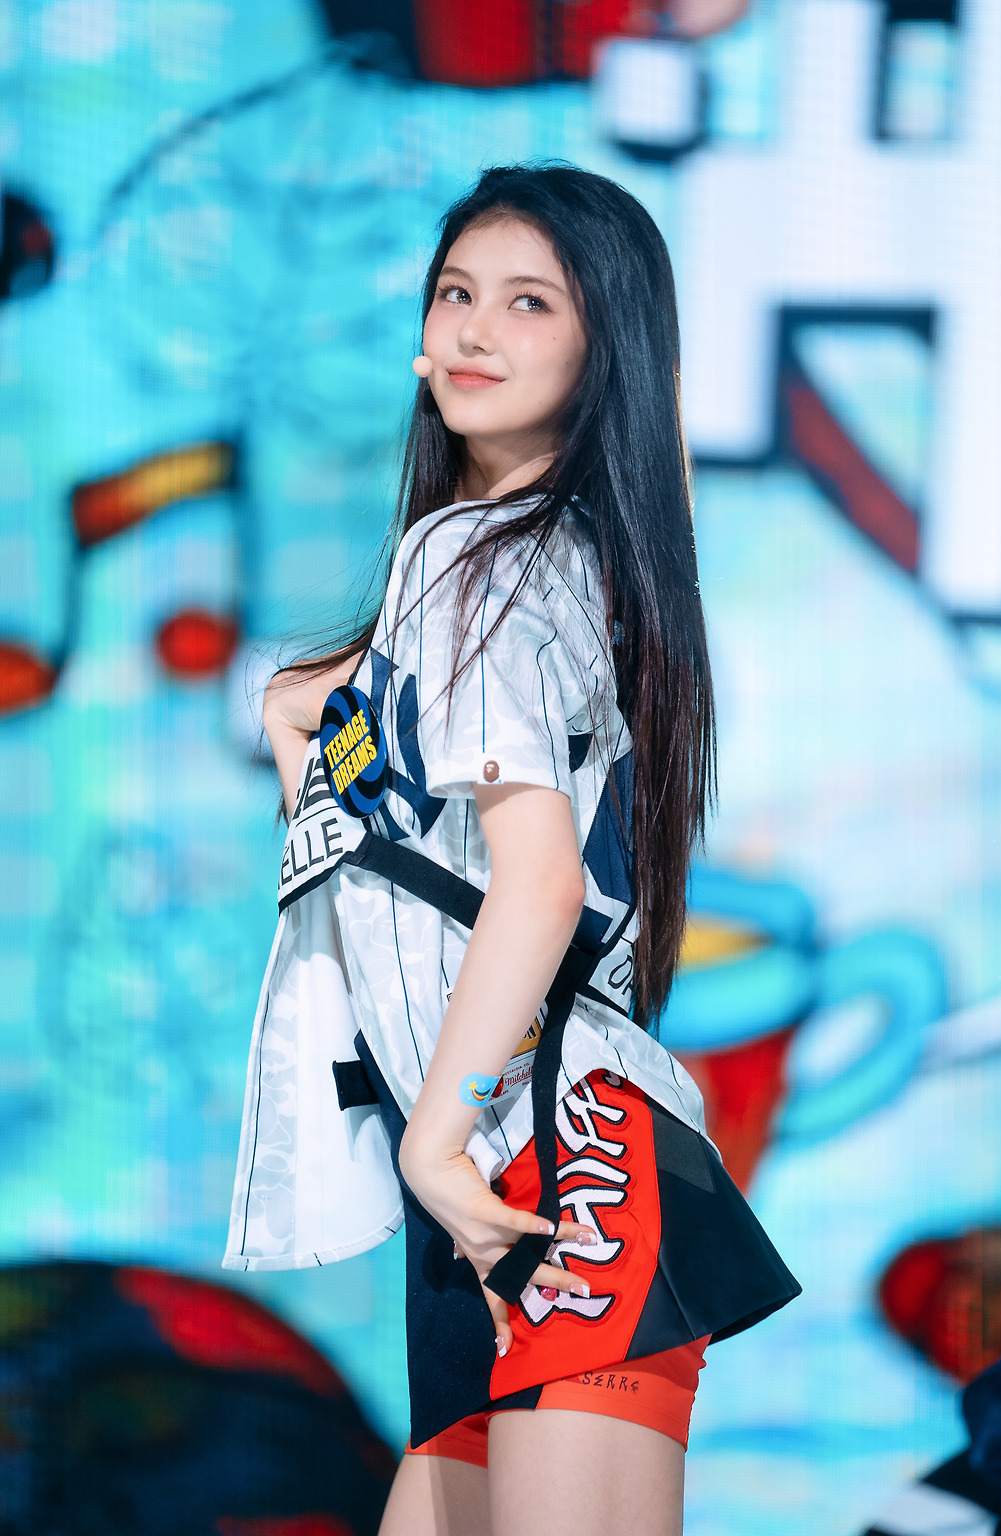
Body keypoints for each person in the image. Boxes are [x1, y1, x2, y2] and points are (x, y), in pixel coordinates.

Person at [226, 163, 800, 1536]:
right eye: (456, 294)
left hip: (544, 1156)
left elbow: (538, 883)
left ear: (606, 354)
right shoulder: (532, 565)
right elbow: (382, 896)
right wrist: (301, 720)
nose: (477, 329)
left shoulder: (483, 562)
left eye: (531, 303)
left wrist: (434, 1145)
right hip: (496, 1165)